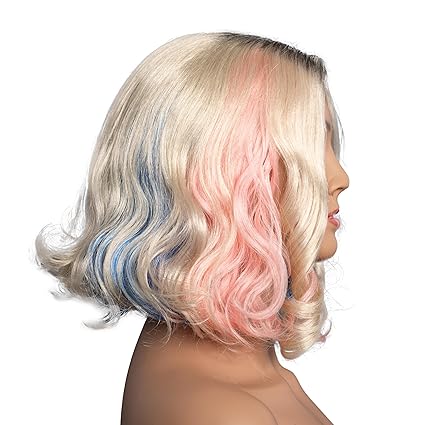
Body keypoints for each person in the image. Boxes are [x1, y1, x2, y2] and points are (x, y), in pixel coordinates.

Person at [34, 31, 349, 425]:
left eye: (329, 143)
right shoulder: (223, 412)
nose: (341, 178)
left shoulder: (244, 382)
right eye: (312, 144)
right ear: (225, 175)